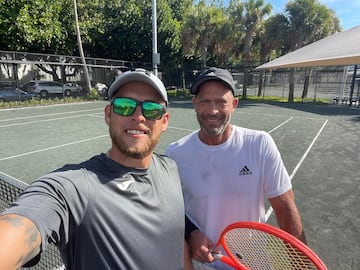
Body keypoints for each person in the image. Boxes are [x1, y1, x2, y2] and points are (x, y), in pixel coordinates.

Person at [0, 69, 186, 270]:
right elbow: (21, 225)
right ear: (108, 114)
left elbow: (175, 237)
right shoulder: (72, 189)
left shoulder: (171, 169)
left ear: (164, 121)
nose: (138, 116)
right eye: (125, 106)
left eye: (151, 109)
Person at [166, 67, 306, 269]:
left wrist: (301, 265)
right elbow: (171, 209)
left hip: (252, 264)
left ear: (234, 105)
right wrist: (192, 233)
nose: (212, 110)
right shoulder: (175, 153)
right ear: (195, 104)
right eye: (205, 101)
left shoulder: (259, 144)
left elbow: (285, 208)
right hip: (201, 265)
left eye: (221, 102)